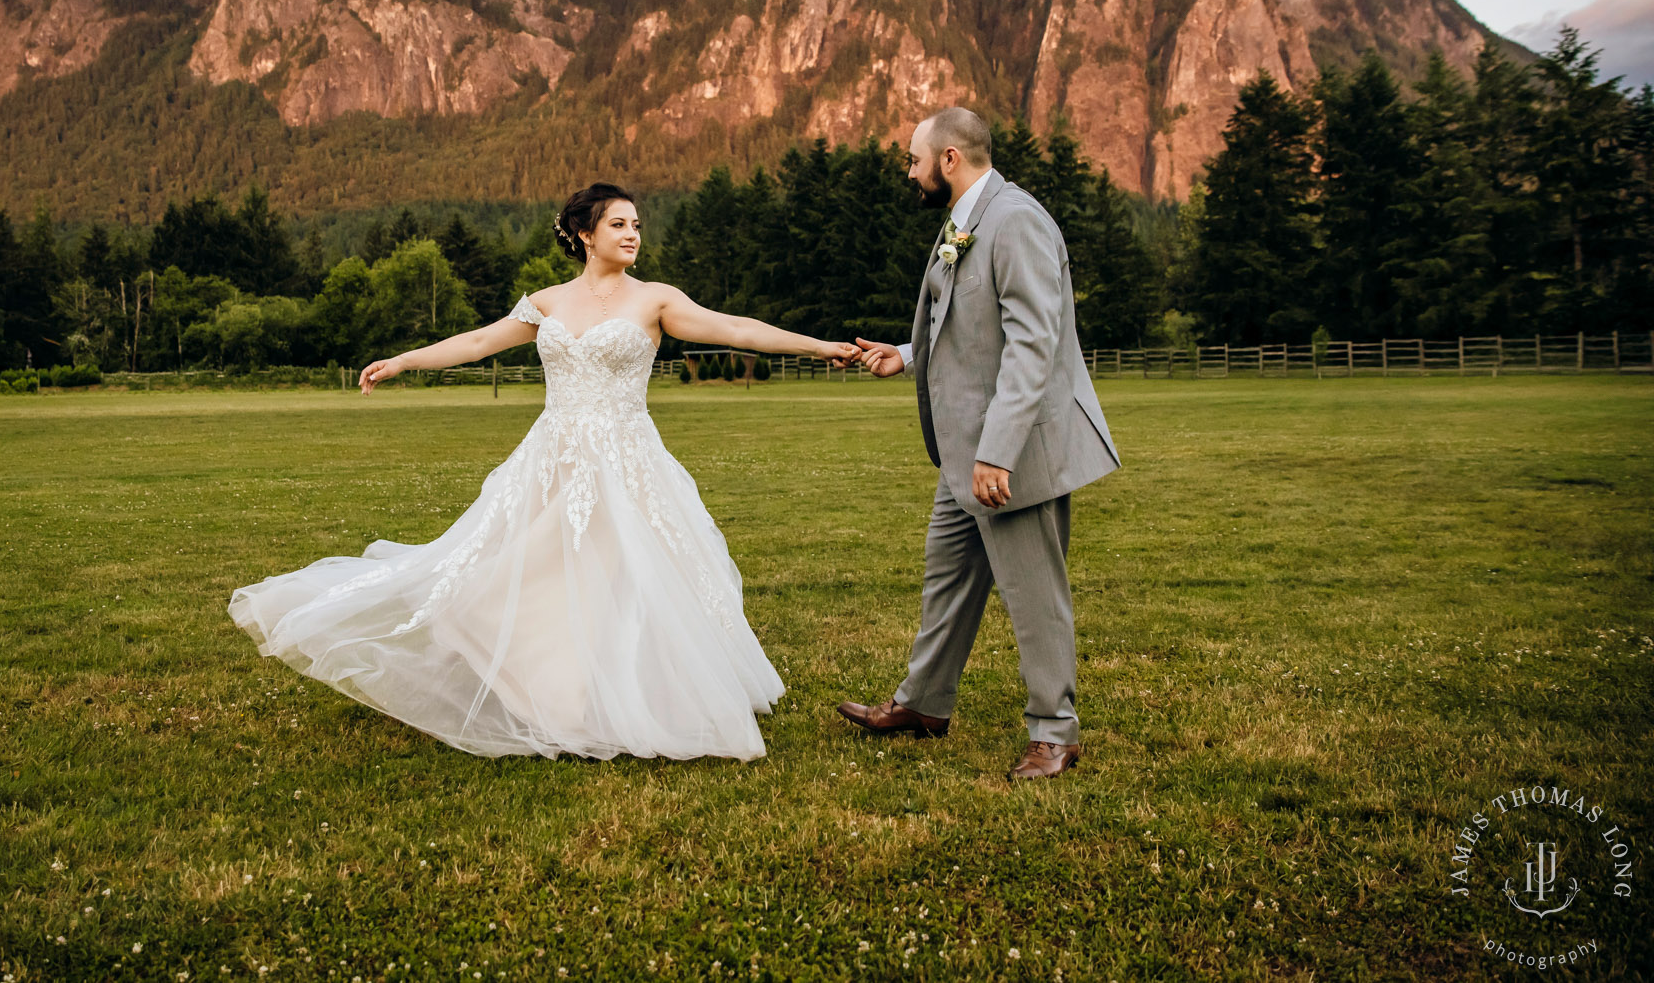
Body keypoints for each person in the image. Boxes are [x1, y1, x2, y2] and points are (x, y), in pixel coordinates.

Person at [229, 182, 860, 761]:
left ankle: (632, 694)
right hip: (551, 457)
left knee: (629, 577)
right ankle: (554, 693)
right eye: (618, 224)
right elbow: (477, 342)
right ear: (586, 235)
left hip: (626, 459)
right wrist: (403, 360)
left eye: (637, 224)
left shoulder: (656, 299)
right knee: (527, 570)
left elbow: (737, 329)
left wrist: (820, 345)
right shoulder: (546, 302)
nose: (633, 234)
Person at [840, 108, 1121, 781]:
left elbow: (1031, 343)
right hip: (964, 457)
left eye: (914, 159)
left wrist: (997, 452)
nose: (908, 171)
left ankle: (1055, 733)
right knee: (947, 581)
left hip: (1009, 456)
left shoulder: (1015, 219)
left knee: (1033, 594)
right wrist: (905, 355)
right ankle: (923, 705)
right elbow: (972, 330)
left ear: (949, 158)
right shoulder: (965, 221)